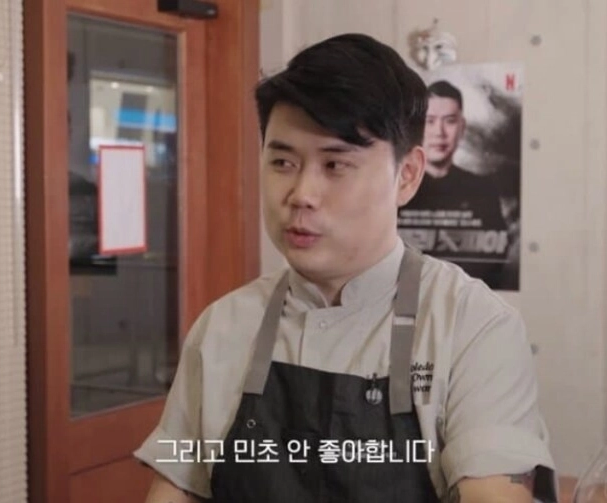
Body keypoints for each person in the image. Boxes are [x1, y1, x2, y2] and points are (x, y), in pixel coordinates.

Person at [136, 33, 557, 503]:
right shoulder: (221, 327)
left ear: (407, 175)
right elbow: (174, 486)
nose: (301, 194)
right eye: (282, 162)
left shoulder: (474, 327)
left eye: (335, 165)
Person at [398, 80, 510, 289]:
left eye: (449, 121)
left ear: (462, 127)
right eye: (430, 121)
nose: (439, 132)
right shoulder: (394, 187)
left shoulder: (483, 190)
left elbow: (495, 262)